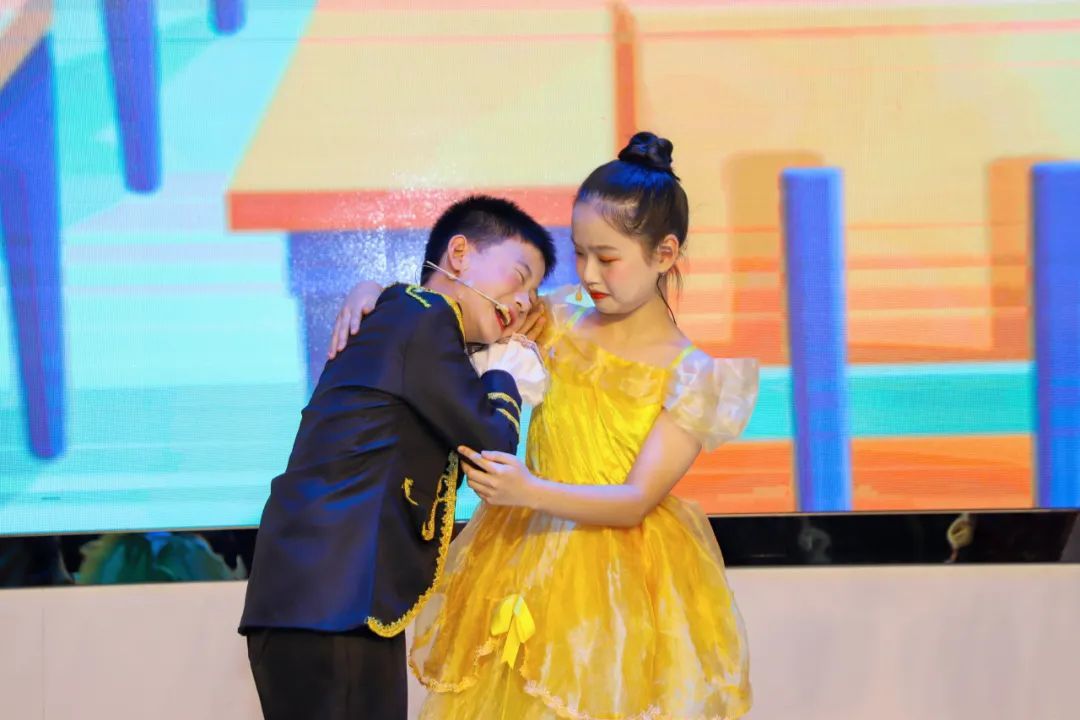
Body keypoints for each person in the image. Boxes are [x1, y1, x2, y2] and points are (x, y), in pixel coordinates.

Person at [334, 132, 759, 719]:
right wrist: (376, 293)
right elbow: (452, 323)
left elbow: (636, 500)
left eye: (607, 258)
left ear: (664, 254)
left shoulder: (695, 377)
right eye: (580, 253)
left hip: (618, 587)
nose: (589, 272)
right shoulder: (555, 320)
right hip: (523, 558)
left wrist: (529, 490)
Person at [239, 195, 556, 720]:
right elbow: (492, 444)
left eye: (533, 294)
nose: (523, 303)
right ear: (459, 254)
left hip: (326, 598)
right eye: (519, 277)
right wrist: (507, 370)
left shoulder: (408, 316)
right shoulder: (425, 317)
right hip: (335, 600)